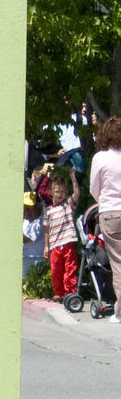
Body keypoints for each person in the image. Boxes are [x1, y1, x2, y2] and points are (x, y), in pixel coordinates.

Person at [89, 117, 121, 302]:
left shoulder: (100, 158)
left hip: (110, 212)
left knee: (117, 264)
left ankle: (119, 311)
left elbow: (95, 189)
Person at [43, 166, 81, 298]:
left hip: (68, 241)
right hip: (54, 245)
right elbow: (47, 230)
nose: (60, 194)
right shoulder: (48, 210)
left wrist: (73, 177)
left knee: (70, 268)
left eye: (63, 192)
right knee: (55, 270)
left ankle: (70, 293)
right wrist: (47, 246)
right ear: (51, 192)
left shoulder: (68, 205)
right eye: (57, 191)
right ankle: (59, 293)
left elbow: (76, 193)